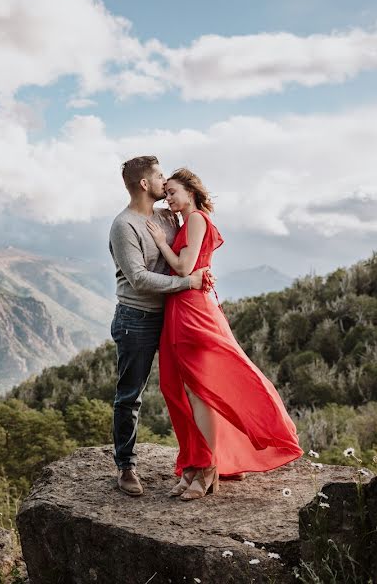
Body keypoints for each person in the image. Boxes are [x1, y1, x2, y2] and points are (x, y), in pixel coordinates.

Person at [146, 168, 303, 501]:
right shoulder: (183, 219)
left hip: (192, 309)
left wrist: (161, 243)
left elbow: (186, 267)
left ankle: (207, 468)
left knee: (199, 389)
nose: (169, 198)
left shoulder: (197, 219)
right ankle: (193, 465)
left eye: (173, 192)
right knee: (177, 388)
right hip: (179, 306)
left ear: (191, 190)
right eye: (167, 193)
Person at [108, 156, 209, 497]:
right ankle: (126, 467)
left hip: (172, 317)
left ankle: (201, 463)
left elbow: (190, 250)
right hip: (135, 318)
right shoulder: (124, 226)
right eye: (160, 176)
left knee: (183, 392)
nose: (165, 183)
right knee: (130, 395)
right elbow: (137, 279)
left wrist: (200, 277)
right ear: (144, 184)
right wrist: (188, 284)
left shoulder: (168, 217)